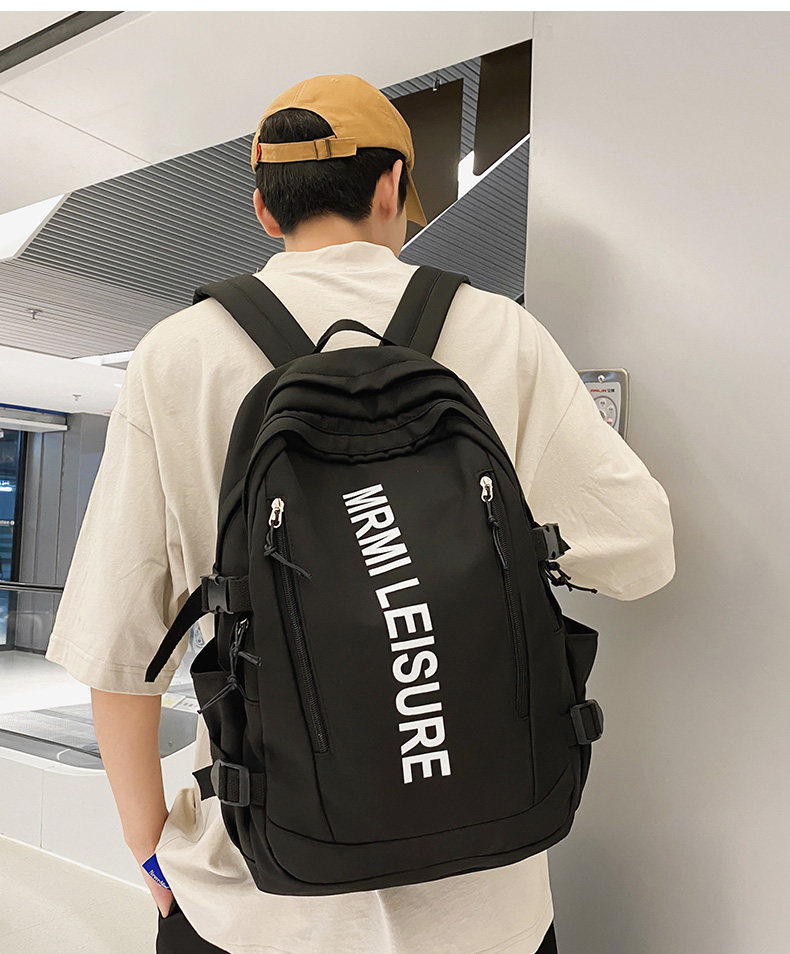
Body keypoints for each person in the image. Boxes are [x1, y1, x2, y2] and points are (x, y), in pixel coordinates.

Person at [45, 73, 675, 954]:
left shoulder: (178, 355)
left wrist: (148, 845)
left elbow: (118, 644)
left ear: (265, 209)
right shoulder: (500, 332)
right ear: (393, 186)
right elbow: (641, 552)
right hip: (485, 903)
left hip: (259, 898)